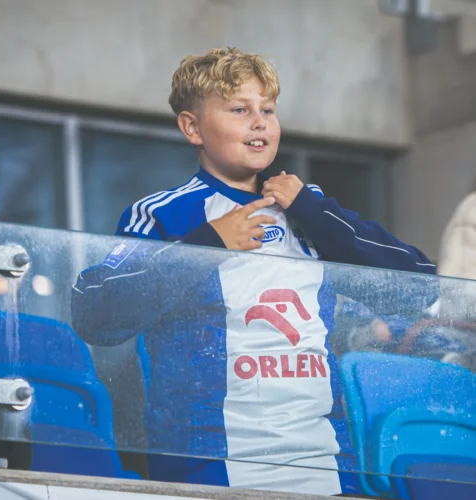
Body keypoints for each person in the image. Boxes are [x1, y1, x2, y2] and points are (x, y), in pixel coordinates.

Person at [72, 48, 437, 496]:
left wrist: (313, 211)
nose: (259, 123)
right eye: (239, 110)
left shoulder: (309, 209)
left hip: (326, 462)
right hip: (208, 462)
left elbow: (417, 287)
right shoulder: (165, 213)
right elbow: (94, 314)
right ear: (192, 128)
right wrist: (207, 245)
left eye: (267, 110)